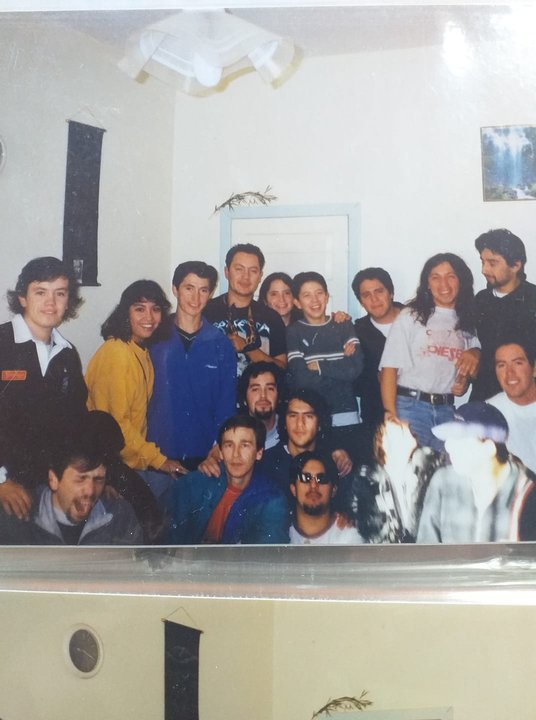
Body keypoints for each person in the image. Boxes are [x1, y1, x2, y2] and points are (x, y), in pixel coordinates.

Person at [0, 256, 87, 521]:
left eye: (59, 293)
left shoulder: (68, 355)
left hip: (49, 489)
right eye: (41, 292)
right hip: (7, 486)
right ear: (23, 298)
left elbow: (76, 423)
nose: (51, 303)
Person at [146, 261, 236, 495]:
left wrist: (217, 449)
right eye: (189, 288)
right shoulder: (154, 337)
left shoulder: (220, 344)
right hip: (157, 456)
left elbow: (226, 403)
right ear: (175, 289)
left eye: (203, 290)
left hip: (203, 457)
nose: (196, 298)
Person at [85, 280, 186, 485]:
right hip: (106, 465)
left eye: (155, 309)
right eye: (139, 309)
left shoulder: (139, 349)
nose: (149, 318)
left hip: (128, 460)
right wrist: (159, 460)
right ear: (125, 313)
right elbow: (117, 424)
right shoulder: (117, 353)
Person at [380, 252, 480, 451]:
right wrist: (390, 415)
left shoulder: (469, 320)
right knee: (411, 473)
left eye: (451, 276)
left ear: (461, 280)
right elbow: (389, 369)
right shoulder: (411, 316)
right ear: (427, 283)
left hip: (447, 411)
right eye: (435, 277)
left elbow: (472, 371)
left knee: (441, 477)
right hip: (410, 408)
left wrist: (464, 379)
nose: (444, 284)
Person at [0, 415, 143, 545]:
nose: (90, 490)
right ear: (53, 479)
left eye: (98, 479)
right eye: (81, 479)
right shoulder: (16, 516)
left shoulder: (121, 518)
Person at [417, 402, 536, 543]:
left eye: (459, 439)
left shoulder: (528, 496)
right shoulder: (443, 482)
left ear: (489, 449)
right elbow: (426, 550)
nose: (448, 446)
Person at [165, 415, 289, 545]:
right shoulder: (192, 485)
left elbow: (264, 557)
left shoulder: (272, 501)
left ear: (259, 453)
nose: (236, 454)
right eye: (229, 445)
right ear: (221, 452)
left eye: (245, 445)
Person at [287, 271, 364, 461]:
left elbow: (355, 369)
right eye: (306, 295)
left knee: (347, 473)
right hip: (314, 421)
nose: (315, 300)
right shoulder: (294, 331)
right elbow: (301, 380)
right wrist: (340, 366)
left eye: (319, 293)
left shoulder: (343, 324)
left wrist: (320, 366)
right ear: (297, 302)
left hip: (347, 416)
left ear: (327, 296)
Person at [471, 229, 536, 401]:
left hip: (525, 398)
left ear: (516, 265)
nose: (484, 270)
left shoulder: (533, 299)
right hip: (485, 395)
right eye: (483, 262)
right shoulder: (480, 300)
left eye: (492, 263)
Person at [204, 243, 287, 375]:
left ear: (260, 276)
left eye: (253, 271)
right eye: (239, 269)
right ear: (227, 272)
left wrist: (248, 348)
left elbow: (282, 368)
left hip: (257, 395)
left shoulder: (271, 317)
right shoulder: (206, 311)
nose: (246, 277)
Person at [260, 388, 353, 504]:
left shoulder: (333, 463)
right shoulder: (265, 464)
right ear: (284, 423)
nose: (300, 423)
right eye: (293, 416)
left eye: (308, 416)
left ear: (320, 424)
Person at [351, 267, 404, 455]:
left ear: (391, 293)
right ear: (360, 302)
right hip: (376, 418)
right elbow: (353, 382)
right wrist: (376, 378)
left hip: (418, 411)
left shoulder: (414, 319)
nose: (374, 299)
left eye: (379, 291)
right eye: (366, 295)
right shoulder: (355, 331)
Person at [288, 450, 363, 545]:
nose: (314, 485)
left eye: (322, 479)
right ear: (293, 489)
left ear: (333, 490)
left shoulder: (350, 538)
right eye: (305, 478)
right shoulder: (281, 534)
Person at [487, 339, 536, 473]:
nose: (509, 373)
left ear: (534, 369)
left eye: (518, 363)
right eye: (502, 365)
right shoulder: (490, 411)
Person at [238, 360, 284, 450]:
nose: (263, 395)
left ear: (279, 396)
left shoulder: (290, 433)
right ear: (244, 399)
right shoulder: (231, 433)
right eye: (255, 389)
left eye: (270, 388)